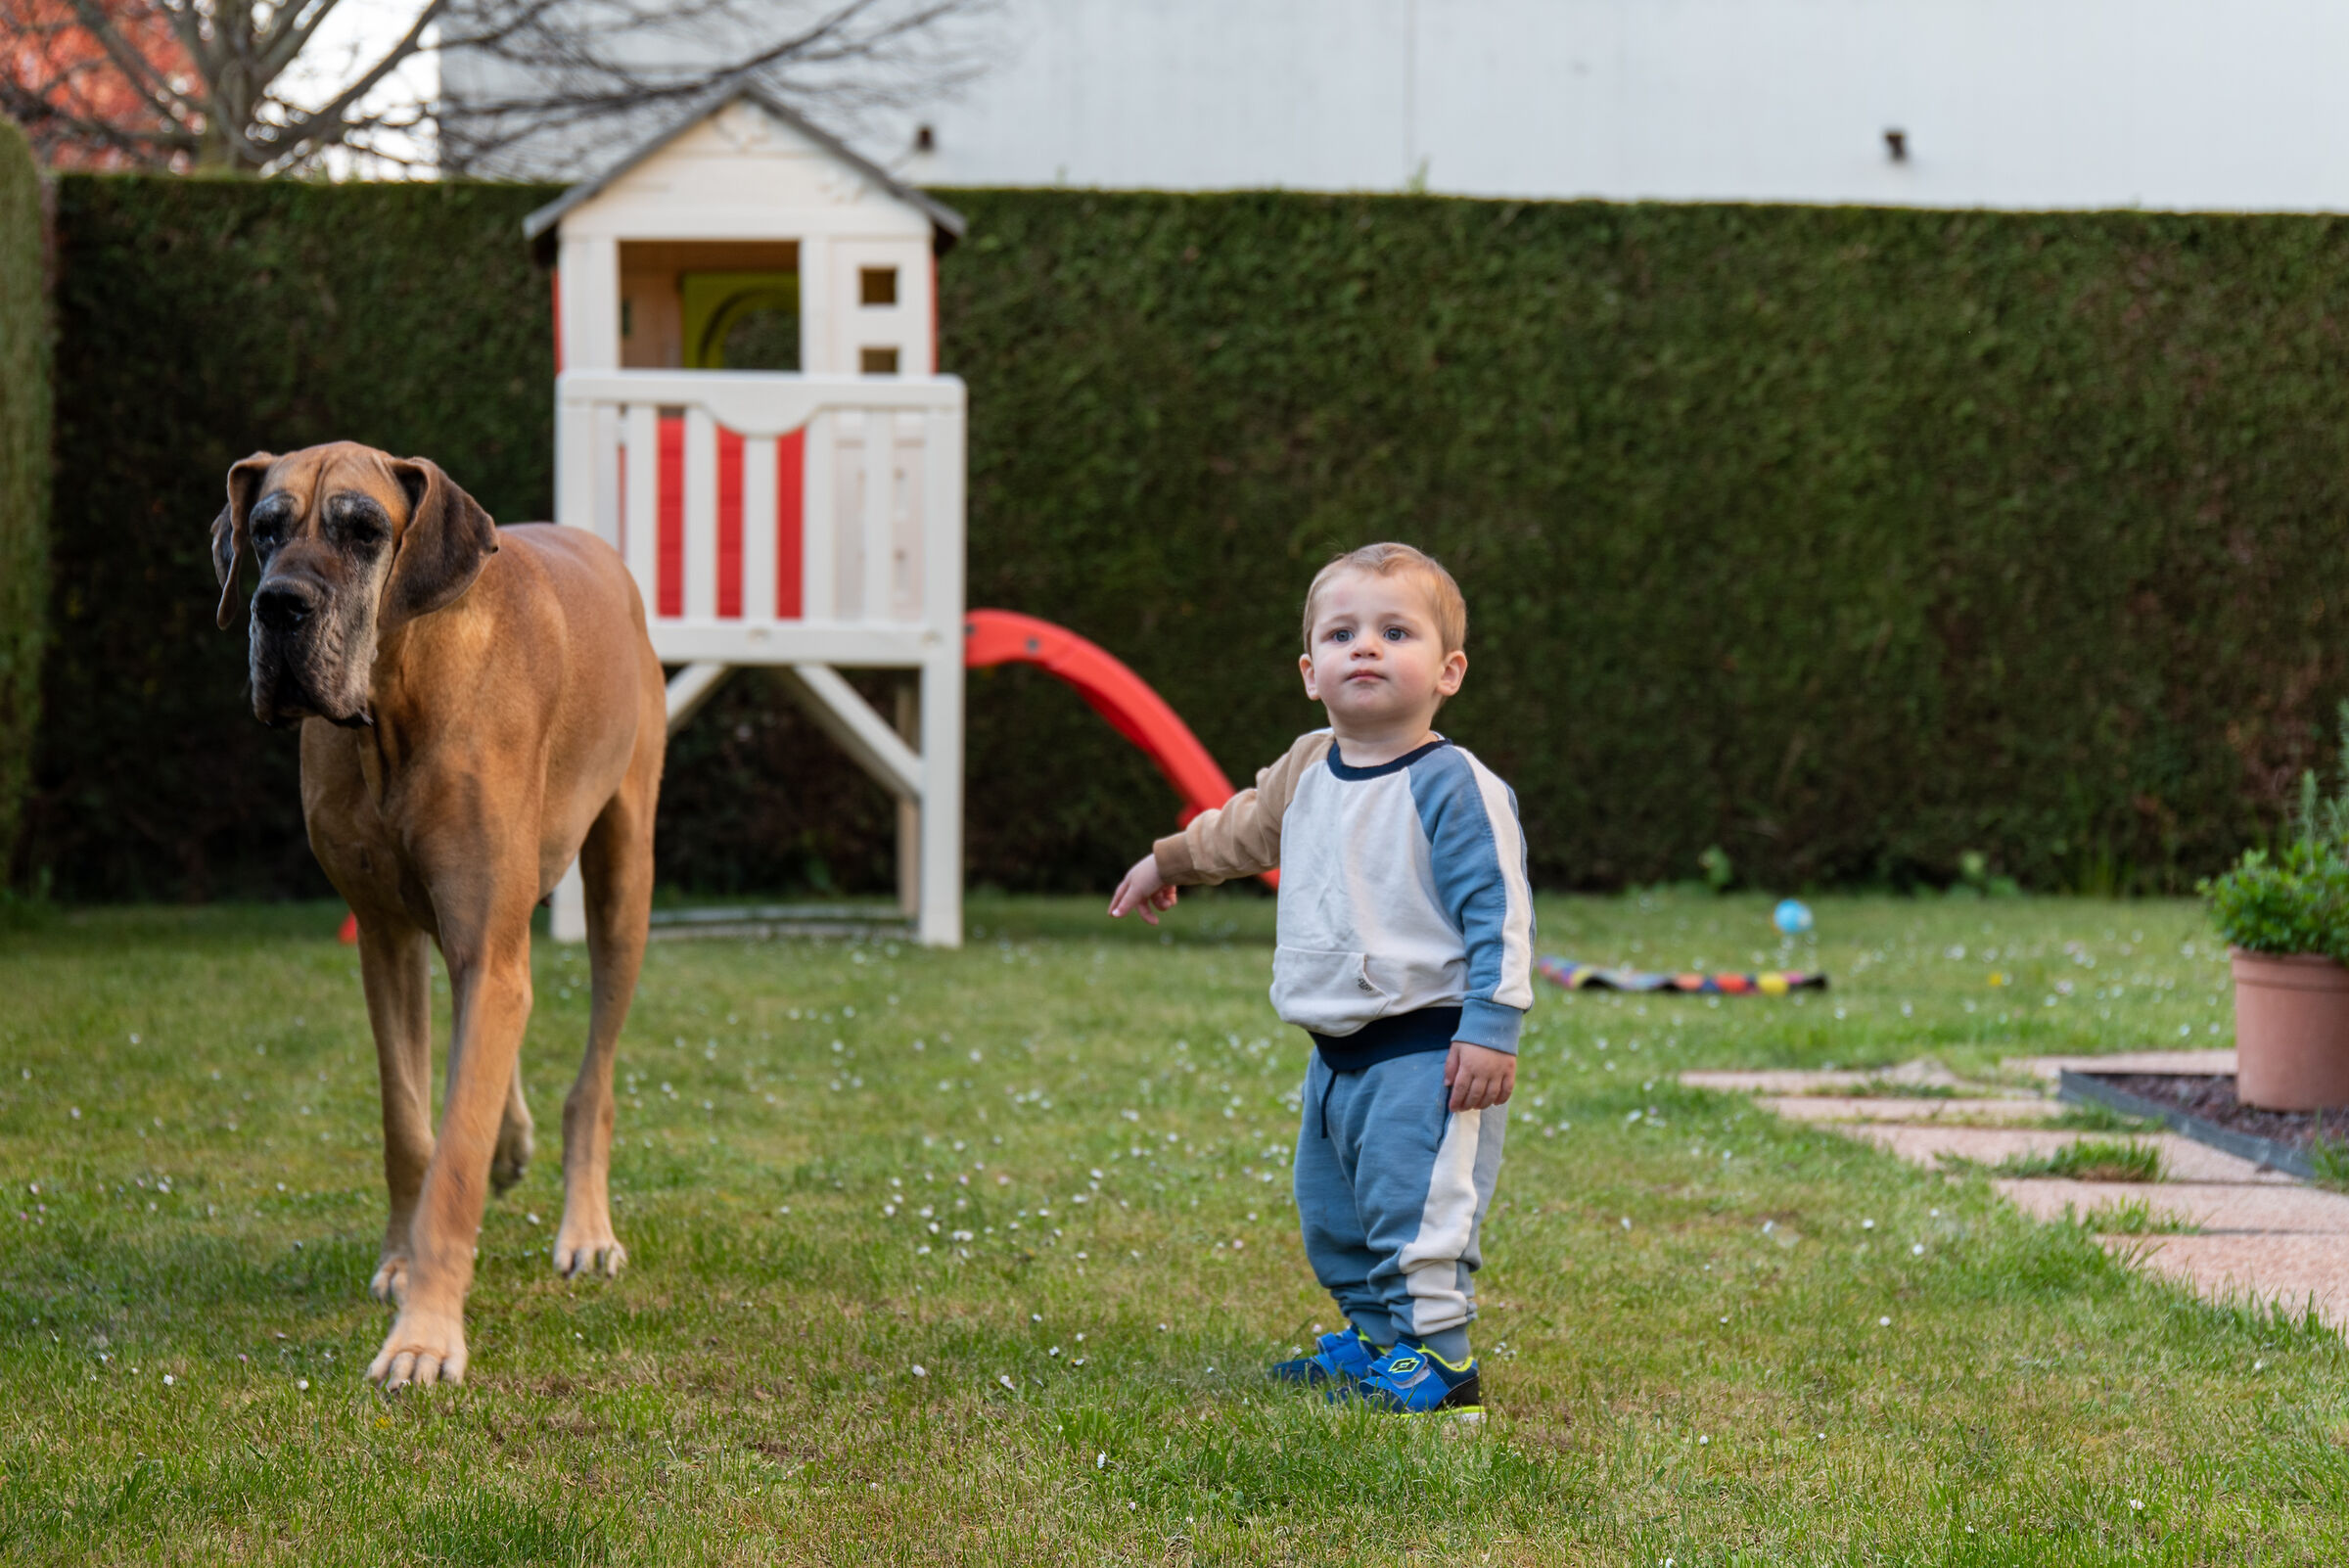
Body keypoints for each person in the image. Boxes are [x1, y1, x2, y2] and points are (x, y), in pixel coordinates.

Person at [1108, 542, 1534, 1417]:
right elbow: (1243, 829)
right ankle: (1380, 1346)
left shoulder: (1454, 786)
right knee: (1337, 1216)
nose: (1366, 648)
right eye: (1342, 634)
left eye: (1394, 632)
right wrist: (1169, 859)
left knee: (1417, 1212)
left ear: (1448, 671)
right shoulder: (1309, 767)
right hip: (1333, 1052)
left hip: (1429, 1046)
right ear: (1311, 671)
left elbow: (1499, 911)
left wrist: (1491, 1025)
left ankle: (1441, 1365)